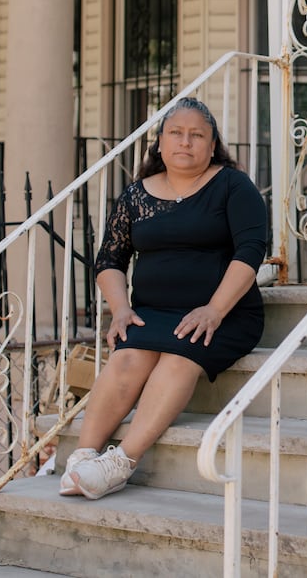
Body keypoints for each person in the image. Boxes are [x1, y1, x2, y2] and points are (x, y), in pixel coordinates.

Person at [59, 97, 269, 500]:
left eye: (197, 135)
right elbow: (109, 260)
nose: (185, 142)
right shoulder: (136, 196)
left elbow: (250, 251)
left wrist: (214, 309)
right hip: (151, 312)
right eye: (176, 133)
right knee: (127, 357)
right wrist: (120, 310)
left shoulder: (232, 185)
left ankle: (121, 463)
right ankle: (82, 459)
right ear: (159, 143)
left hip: (223, 313)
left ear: (212, 146)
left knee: (179, 356)